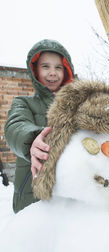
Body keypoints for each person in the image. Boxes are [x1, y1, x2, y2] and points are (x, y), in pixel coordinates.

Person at [4, 39, 75, 213]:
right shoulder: (24, 103)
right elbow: (15, 125)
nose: (52, 73)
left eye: (58, 67)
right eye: (45, 66)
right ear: (35, 70)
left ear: (66, 70)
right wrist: (31, 139)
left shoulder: (77, 105)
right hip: (32, 191)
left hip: (71, 191)